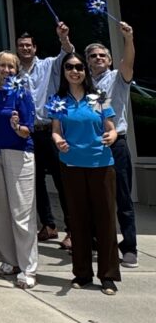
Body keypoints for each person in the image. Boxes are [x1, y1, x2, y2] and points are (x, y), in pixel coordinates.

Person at [51, 52, 119, 295]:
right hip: (71, 166)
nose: (75, 71)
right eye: (69, 67)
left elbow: (111, 128)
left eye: (79, 67)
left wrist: (111, 136)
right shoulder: (58, 100)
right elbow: (56, 131)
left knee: (105, 220)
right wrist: (58, 141)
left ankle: (108, 275)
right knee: (78, 221)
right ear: (64, 72)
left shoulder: (99, 97)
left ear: (85, 71)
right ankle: (82, 273)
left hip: (100, 164)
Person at [79, 23, 136, 269]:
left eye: (102, 55)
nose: (98, 58)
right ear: (87, 61)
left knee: (122, 197)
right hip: (91, 146)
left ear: (110, 60)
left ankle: (129, 247)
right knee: (94, 198)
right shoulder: (82, 83)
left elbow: (129, 62)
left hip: (117, 143)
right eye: (93, 56)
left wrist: (128, 39)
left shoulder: (118, 78)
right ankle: (97, 241)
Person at [14, 24, 73, 248]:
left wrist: (64, 38)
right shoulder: (16, 73)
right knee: (35, 181)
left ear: (35, 47)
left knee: (61, 181)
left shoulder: (49, 65)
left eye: (28, 45)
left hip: (51, 131)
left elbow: (67, 53)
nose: (25, 49)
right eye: (21, 46)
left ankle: (72, 229)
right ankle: (48, 224)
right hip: (29, 134)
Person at [0, 50, 37, 289]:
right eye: (2, 66)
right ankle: (8, 260)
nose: (6, 71)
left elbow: (29, 128)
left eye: (11, 67)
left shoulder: (22, 94)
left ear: (17, 71)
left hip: (18, 154)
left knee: (21, 213)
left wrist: (17, 128)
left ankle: (28, 267)